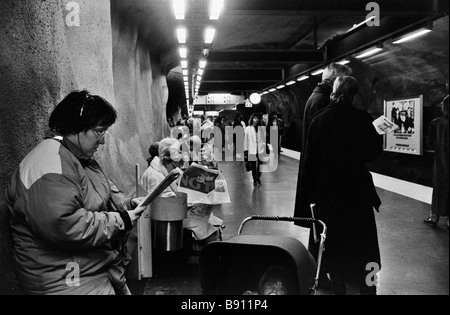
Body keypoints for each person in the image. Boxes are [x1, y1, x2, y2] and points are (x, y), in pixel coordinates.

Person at [5, 90, 147, 295]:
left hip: (89, 271)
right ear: (76, 126)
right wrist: (120, 220)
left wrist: (125, 206)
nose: (103, 141)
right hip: (65, 281)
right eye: (99, 132)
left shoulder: (78, 159)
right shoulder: (48, 163)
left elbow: (100, 196)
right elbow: (64, 225)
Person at [297, 76, 383, 295]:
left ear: (333, 92)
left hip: (329, 196)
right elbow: (372, 154)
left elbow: (310, 163)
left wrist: (310, 198)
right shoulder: (362, 119)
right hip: (357, 195)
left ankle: (339, 286)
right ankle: (368, 285)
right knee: (363, 245)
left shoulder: (319, 120)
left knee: (334, 246)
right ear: (354, 95)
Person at [424, 95, 449, 230]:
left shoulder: (435, 122)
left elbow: (430, 143)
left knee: (438, 191)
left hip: (440, 164)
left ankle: (434, 218)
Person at [244, 112, 266, 186]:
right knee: (253, 166)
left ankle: (258, 177)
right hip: (251, 149)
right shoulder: (247, 129)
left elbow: (264, 139)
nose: (256, 120)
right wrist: (246, 150)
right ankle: (254, 180)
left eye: (257, 118)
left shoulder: (261, 128)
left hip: (260, 149)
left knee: (260, 165)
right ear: (252, 119)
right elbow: (245, 140)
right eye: (254, 118)